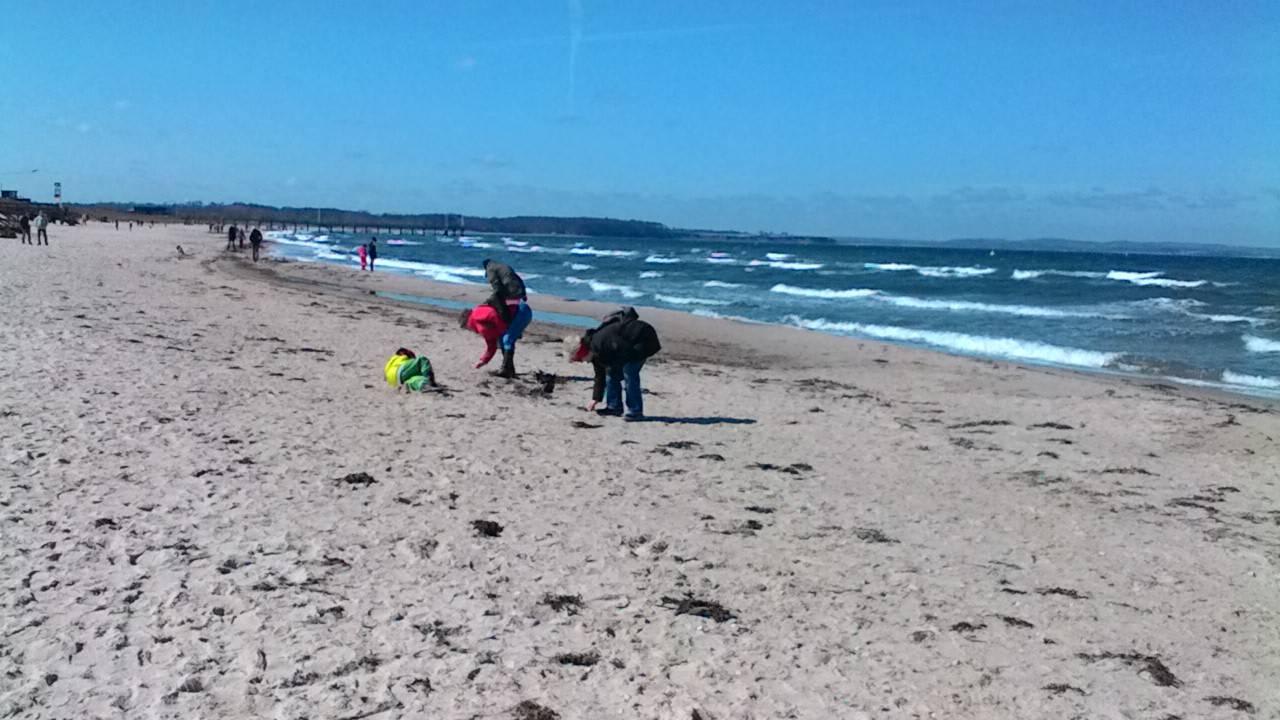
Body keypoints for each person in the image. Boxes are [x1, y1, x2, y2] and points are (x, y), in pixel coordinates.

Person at [569, 307, 661, 421]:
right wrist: (595, 398)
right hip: (627, 346)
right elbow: (599, 375)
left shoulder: (599, 344)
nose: (583, 362)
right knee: (611, 373)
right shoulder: (594, 350)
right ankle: (614, 407)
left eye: (579, 359)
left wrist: (618, 368)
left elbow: (625, 350)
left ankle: (635, 411)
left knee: (629, 373)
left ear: (582, 353)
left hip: (643, 339)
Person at [481, 259, 532, 378]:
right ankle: (509, 368)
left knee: (507, 337)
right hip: (517, 294)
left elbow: (496, 286)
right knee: (506, 334)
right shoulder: (504, 266)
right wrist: (523, 293)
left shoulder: (491, 268)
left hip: (511, 298)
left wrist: (490, 301)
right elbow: (517, 278)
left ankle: (506, 368)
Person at [458, 304, 510, 371]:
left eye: (464, 327)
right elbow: (491, 346)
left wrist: (502, 332)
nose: (468, 330)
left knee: (506, 344)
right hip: (507, 326)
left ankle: (507, 370)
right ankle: (507, 369)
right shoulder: (481, 329)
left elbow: (492, 313)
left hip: (514, 317)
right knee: (505, 346)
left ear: (466, 321)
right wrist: (483, 361)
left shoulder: (476, 314)